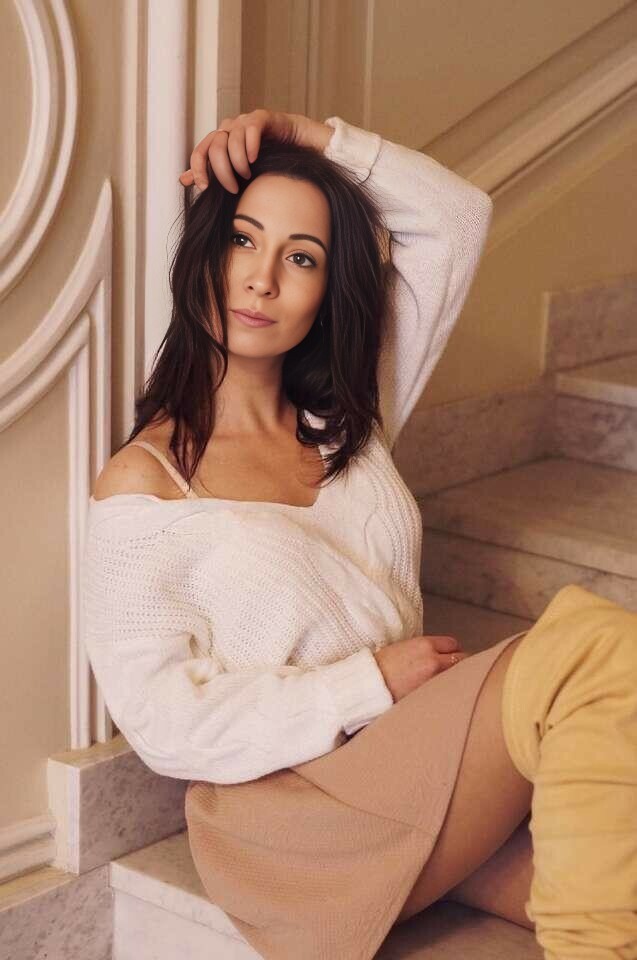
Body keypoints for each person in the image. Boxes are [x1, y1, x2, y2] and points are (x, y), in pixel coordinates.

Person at [83, 109, 637, 960]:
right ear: (203, 256)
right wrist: (365, 682)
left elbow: (455, 218)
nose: (261, 279)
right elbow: (162, 722)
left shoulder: (348, 421)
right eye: (241, 241)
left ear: (326, 291)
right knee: (595, 651)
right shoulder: (145, 485)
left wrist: (307, 135)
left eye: (300, 257)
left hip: (400, 762)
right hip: (284, 817)